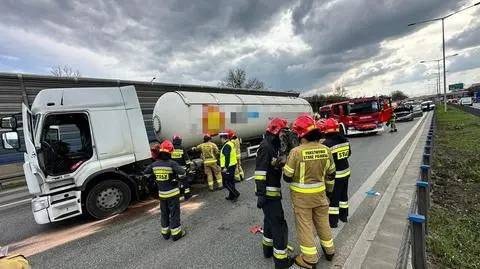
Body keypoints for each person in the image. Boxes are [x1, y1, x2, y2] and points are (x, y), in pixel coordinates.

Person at [283, 115, 336, 269]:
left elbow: (287, 176)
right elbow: (331, 173)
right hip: (320, 195)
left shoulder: (296, 152)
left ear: (300, 134)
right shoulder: (326, 149)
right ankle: (330, 251)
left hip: (301, 199)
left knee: (305, 226)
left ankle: (309, 259)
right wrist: (329, 192)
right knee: (323, 223)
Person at [255, 118, 294, 269]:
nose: (285, 136)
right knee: (279, 225)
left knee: (269, 222)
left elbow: (272, 166)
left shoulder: (272, 145)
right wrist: (261, 194)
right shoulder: (266, 147)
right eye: (283, 133)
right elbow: (260, 173)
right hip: (269, 195)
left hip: (270, 194)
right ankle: (281, 261)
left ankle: (267, 251)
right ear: (277, 132)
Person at [144, 140, 187, 241]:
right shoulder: (172, 163)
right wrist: (177, 178)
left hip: (162, 195)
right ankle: (176, 234)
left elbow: (146, 172)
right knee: (174, 213)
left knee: (164, 213)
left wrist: (157, 177)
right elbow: (183, 173)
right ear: (170, 151)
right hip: (173, 193)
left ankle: (165, 233)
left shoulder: (154, 164)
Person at [322, 118, 352, 228]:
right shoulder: (345, 140)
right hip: (346, 172)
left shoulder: (327, 144)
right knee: (344, 196)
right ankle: (344, 216)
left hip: (335, 176)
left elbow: (325, 162)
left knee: (334, 199)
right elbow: (348, 154)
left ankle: (333, 221)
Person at [219, 130, 240, 202]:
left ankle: (235, 194)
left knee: (226, 183)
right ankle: (231, 196)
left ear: (223, 138)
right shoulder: (230, 143)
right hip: (232, 165)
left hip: (228, 167)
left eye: (220, 138)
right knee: (231, 181)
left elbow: (227, 157)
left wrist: (225, 167)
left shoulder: (227, 145)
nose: (220, 140)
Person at [172, 134, 193, 200]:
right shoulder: (182, 148)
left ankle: (179, 196)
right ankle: (187, 195)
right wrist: (188, 167)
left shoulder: (171, 149)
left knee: (177, 182)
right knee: (184, 182)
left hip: (174, 170)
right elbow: (186, 159)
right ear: (179, 140)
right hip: (182, 169)